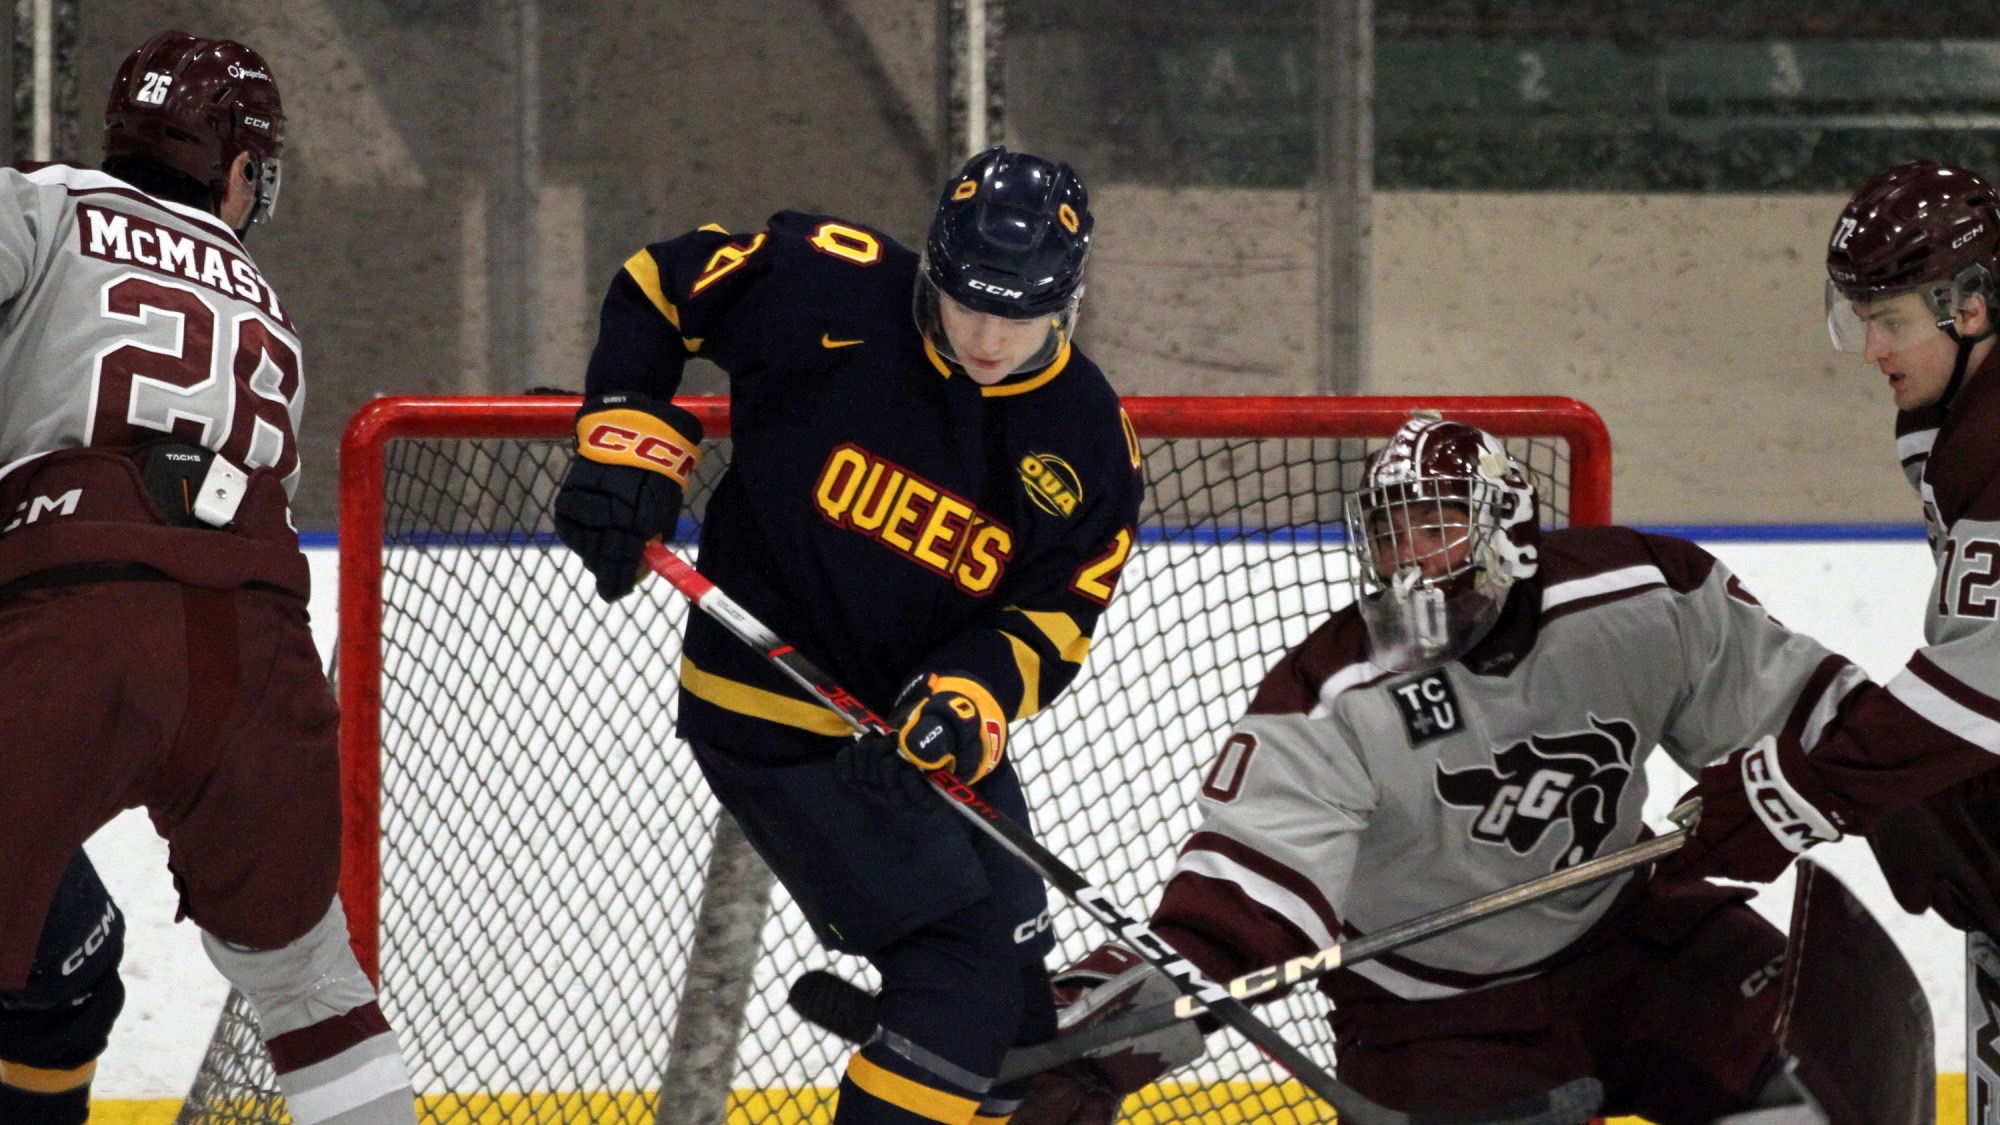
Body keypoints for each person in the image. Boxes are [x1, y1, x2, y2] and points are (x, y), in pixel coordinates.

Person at [1011, 413, 1990, 1125]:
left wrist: (1923, 807)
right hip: (1432, 1015)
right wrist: (1101, 1044)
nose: (1406, 560)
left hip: (1635, 941)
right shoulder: (1326, 698)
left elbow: (1816, 719)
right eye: (1388, 531)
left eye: (1432, 524)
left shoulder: (1643, 595)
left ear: (1506, 530)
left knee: (1814, 1084)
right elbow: (1225, 924)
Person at [553, 147, 1144, 1124]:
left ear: (1067, 302)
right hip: (776, 718)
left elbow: (1050, 619)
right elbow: (658, 286)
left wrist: (968, 694)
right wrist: (627, 430)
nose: (989, 336)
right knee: (961, 977)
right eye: (968, 304)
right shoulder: (825, 282)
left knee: (1024, 1029)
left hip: (923, 740)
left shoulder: (1086, 437)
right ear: (933, 268)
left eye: (1019, 313)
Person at [0, 30, 417, 1125]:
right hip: (257, 634)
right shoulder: (266, 309)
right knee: (315, 993)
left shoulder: (45, 205)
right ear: (241, 169)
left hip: (72, 616)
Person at [1820, 159, 2000, 943]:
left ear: (1971, 304)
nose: (1871, 352)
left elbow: (1978, 685)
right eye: (1861, 320)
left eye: (1890, 321)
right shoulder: (1945, 424)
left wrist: (1806, 786)